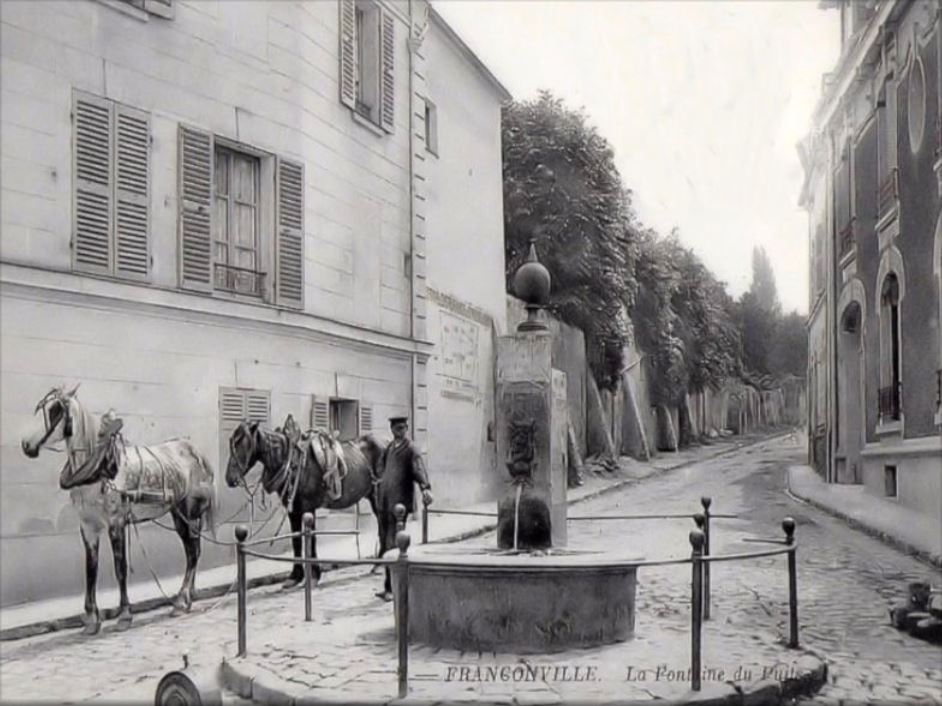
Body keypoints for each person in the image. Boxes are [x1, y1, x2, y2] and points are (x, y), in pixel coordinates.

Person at [375, 416, 433, 601]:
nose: (400, 431)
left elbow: (418, 469)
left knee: (394, 544)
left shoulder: (410, 449)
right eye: (397, 428)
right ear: (391, 429)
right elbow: (380, 470)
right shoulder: (390, 448)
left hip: (399, 506)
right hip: (385, 503)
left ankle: (394, 588)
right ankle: (387, 586)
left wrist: (425, 488)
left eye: (403, 428)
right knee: (385, 543)